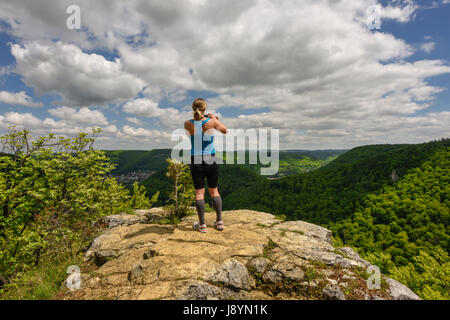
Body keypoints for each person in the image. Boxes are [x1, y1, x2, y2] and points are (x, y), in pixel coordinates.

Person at [184, 98, 228, 233]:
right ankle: (219, 222)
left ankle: (202, 225)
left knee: (199, 194)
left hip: (196, 159)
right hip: (210, 159)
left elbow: (195, 124)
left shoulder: (187, 124)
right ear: (205, 109)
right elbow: (225, 130)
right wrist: (215, 119)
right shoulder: (212, 122)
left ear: (193, 108)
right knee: (214, 190)